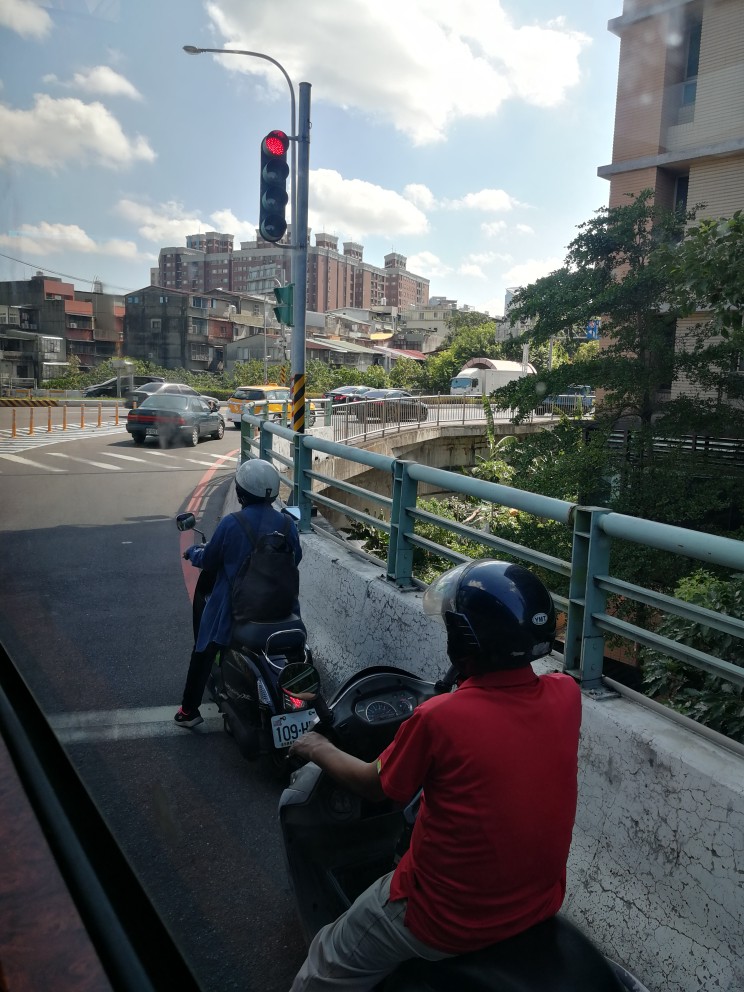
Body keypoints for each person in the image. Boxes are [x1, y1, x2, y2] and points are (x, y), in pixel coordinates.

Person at [288, 559, 581, 991]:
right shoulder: (567, 695)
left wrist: (318, 747)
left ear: (463, 640)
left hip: (441, 917)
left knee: (324, 961)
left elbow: (376, 784)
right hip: (535, 904)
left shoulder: (439, 719)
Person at [174, 458, 302, 728]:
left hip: (235, 609)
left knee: (204, 648)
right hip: (283, 608)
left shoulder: (233, 523)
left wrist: (193, 552)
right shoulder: (288, 524)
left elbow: (209, 559)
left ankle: (188, 711)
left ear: (241, 493)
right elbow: (295, 558)